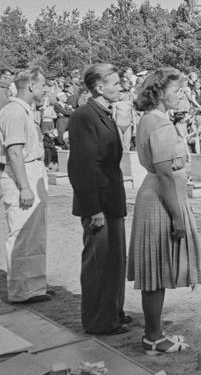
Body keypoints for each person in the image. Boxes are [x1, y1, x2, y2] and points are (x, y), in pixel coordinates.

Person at [128, 68, 201, 356]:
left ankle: (154, 332)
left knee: (156, 270)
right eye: (177, 91)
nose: (182, 95)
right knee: (156, 271)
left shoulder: (152, 119)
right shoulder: (160, 124)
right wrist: (177, 215)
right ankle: (153, 338)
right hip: (161, 199)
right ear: (159, 94)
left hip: (158, 195)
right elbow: (165, 174)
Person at [67, 63, 131, 335]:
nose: (120, 87)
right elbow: (81, 167)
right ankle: (98, 320)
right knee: (98, 265)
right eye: (115, 83)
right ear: (98, 87)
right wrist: (93, 209)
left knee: (115, 261)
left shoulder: (104, 113)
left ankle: (113, 312)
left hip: (110, 200)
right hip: (99, 205)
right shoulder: (84, 115)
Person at [0, 67, 51, 303]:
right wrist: (24, 187)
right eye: (42, 85)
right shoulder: (13, 112)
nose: (44, 89)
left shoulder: (24, 111)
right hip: (21, 174)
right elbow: (14, 152)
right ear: (31, 86)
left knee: (34, 233)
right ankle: (21, 290)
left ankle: (34, 285)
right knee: (21, 232)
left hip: (32, 169)